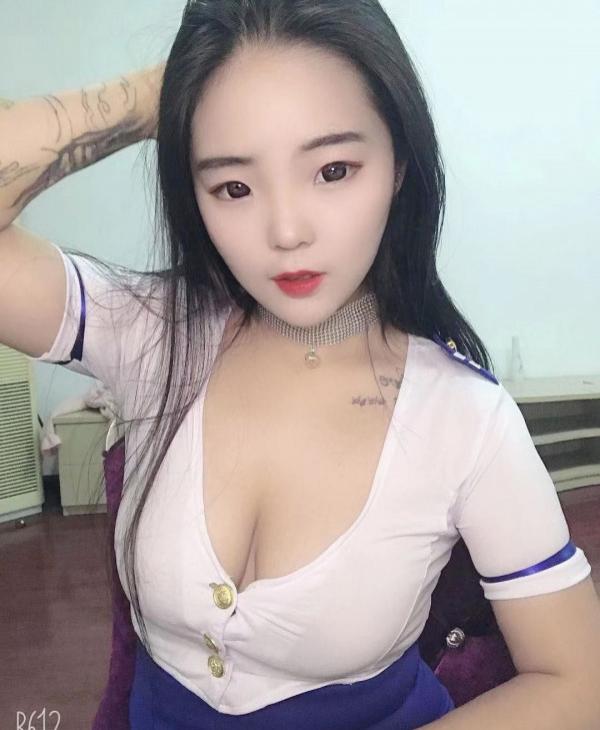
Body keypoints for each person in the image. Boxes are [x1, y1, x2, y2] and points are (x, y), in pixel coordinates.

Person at [1, 2, 599, 728]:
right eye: (234, 187)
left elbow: (577, 681)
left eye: (333, 170)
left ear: (400, 164)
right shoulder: (152, 333)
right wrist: (161, 92)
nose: (286, 231)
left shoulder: (465, 419)